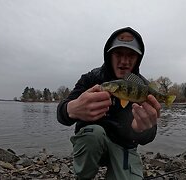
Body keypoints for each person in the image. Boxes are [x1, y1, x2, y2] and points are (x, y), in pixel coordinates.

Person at [57, 27, 161, 180]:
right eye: (118, 53)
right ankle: (83, 176)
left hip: (125, 145)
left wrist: (142, 130)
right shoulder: (91, 78)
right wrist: (71, 109)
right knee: (93, 133)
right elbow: (61, 113)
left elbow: (149, 136)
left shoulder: (143, 87)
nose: (124, 61)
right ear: (109, 54)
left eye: (131, 55)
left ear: (138, 58)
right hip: (92, 144)